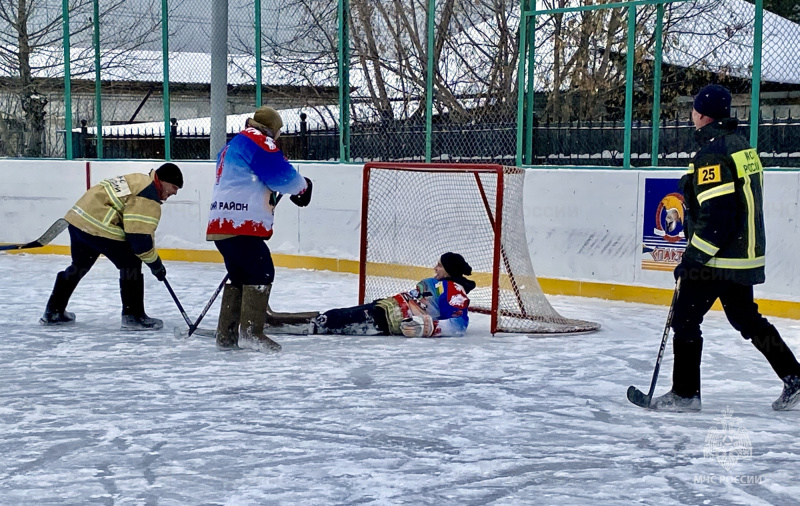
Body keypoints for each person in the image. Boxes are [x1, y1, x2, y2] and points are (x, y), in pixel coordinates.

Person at [652, 84, 800, 412]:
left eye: (694, 108)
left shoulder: (713, 154)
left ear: (702, 114)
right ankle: (795, 376)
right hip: (742, 257)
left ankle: (685, 394)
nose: (692, 113)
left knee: (685, 319)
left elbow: (719, 216)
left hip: (719, 258)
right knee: (746, 318)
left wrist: (692, 259)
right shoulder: (740, 147)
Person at [208, 106, 312, 352]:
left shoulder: (233, 144)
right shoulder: (260, 142)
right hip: (241, 223)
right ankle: (251, 333)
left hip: (220, 224)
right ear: (273, 129)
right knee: (262, 271)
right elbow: (283, 177)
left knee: (240, 276)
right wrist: (304, 186)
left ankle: (227, 333)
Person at [41, 163, 184, 331]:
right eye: (174, 187)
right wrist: (156, 265)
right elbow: (139, 242)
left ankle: (54, 311)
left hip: (78, 220)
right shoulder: (148, 195)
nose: (174, 192)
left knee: (79, 265)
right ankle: (133, 316)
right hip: (99, 225)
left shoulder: (139, 180)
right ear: (163, 181)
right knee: (131, 263)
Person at [306, 252, 475, 338]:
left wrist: (428, 327)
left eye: (439, 265)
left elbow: (459, 324)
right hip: (387, 308)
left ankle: (299, 326)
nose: (435, 268)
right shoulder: (439, 284)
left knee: (333, 320)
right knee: (334, 315)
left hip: (389, 320)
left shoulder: (454, 290)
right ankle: (303, 322)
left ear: (449, 270)